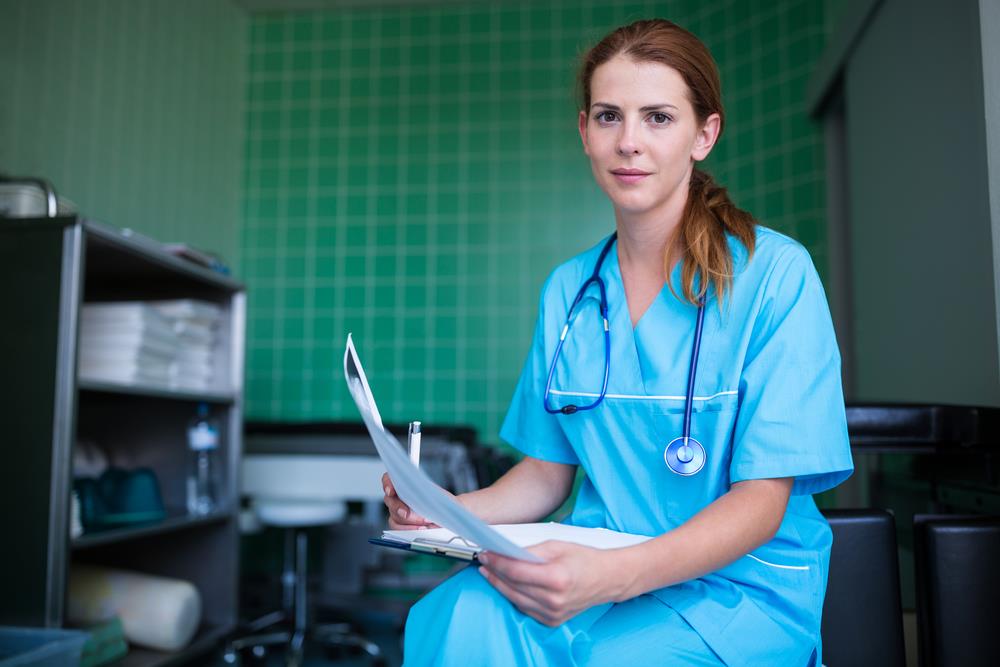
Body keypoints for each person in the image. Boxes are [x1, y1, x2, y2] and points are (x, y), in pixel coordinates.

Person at [382, 18, 853, 666]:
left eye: (658, 118)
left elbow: (761, 503)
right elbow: (547, 475)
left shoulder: (776, 276)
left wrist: (618, 574)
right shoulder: (568, 291)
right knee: (459, 615)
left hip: (736, 593)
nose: (628, 142)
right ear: (584, 131)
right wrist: (443, 512)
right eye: (609, 116)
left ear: (704, 134)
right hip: (594, 570)